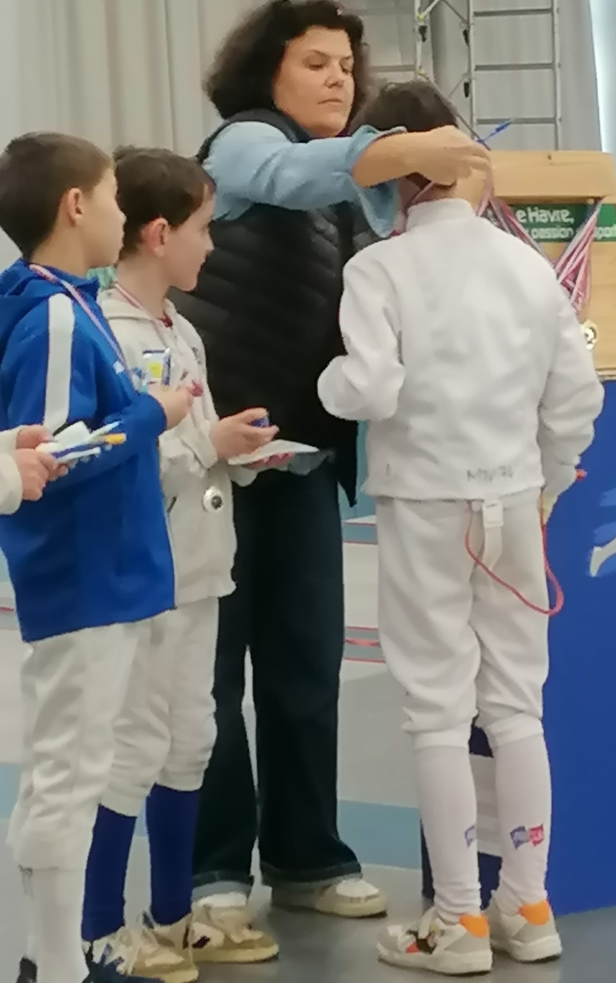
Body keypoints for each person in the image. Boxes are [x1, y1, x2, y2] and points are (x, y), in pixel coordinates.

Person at [174, 0, 490, 942]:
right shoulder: (242, 144)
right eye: (316, 63)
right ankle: (213, 869)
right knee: (212, 678)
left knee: (307, 670)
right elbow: (295, 175)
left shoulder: (358, 178)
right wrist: (403, 145)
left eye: (347, 66)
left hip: (307, 461)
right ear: (266, 72)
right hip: (217, 467)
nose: (338, 79)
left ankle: (308, 856)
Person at [318, 80, 604, 974]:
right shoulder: (525, 265)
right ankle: (529, 905)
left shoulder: (379, 269)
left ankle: (457, 920)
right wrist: (545, 485)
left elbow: (368, 389)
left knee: (437, 710)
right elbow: (576, 399)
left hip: (424, 504)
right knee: (517, 705)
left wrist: (327, 384)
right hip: (513, 500)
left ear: (393, 169)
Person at [79, 148, 287, 980]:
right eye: (204, 228)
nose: (213, 245)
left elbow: (191, 444)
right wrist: (207, 445)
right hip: (140, 573)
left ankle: (171, 918)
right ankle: (98, 928)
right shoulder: (104, 331)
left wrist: (239, 452)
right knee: (132, 743)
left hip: (198, 565)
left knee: (191, 736)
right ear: (159, 234)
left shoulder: (180, 329)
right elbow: (114, 453)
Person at [0, 134, 191, 983]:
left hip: (108, 573)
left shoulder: (71, 304)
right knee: (68, 774)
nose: (122, 214)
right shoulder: (50, 314)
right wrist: (151, 414)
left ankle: (45, 956)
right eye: (113, 197)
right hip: (83, 575)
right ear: (75, 206)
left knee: (74, 766)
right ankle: (54, 961)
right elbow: (51, 457)